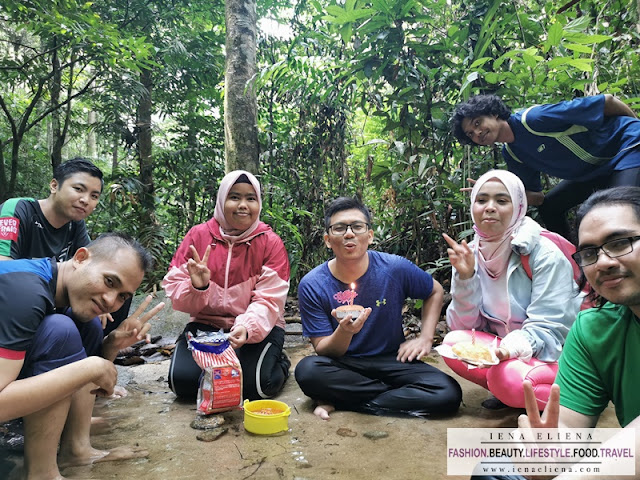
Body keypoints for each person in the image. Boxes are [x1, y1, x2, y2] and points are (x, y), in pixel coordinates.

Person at [473, 186, 640, 479]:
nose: (603, 262)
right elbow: (568, 427)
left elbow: (546, 324)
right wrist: (548, 450)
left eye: (620, 242)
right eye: (590, 252)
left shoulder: (542, 253)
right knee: (495, 470)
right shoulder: (593, 327)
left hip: (539, 351)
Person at [0, 232, 165, 480]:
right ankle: (41, 474)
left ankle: (77, 449)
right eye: (110, 282)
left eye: (122, 296)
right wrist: (89, 368)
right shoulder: (27, 292)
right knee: (60, 331)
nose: (111, 301)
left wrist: (109, 347)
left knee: (86, 326)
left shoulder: (55, 287)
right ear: (80, 258)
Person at [294, 196, 462, 420]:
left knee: (448, 392)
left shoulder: (394, 268)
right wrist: (345, 332)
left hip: (392, 359)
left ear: (370, 236)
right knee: (308, 371)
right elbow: (324, 350)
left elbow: (435, 291)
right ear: (327, 239)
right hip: (343, 364)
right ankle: (389, 397)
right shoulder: (312, 284)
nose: (349, 233)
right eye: (339, 228)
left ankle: (342, 399)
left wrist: (425, 338)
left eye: (357, 226)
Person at [442, 170, 582, 410]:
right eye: (482, 199)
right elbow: (464, 328)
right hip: (510, 355)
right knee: (453, 343)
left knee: (506, 378)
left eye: (502, 200)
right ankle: (510, 387)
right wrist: (465, 278)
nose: (490, 207)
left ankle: (577, 398)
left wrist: (507, 350)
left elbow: (550, 329)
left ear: (519, 206)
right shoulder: (470, 253)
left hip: (557, 354)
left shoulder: (543, 253)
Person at [162, 170, 291, 401]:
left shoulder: (270, 242)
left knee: (257, 387)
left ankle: (279, 360)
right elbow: (175, 291)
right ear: (222, 200)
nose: (243, 205)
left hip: (257, 328)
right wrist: (198, 287)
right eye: (235, 197)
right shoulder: (198, 236)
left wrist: (247, 327)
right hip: (206, 324)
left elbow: (269, 299)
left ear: (258, 203)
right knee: (181, 384)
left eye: (251, 198)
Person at [451, 94, 640, 239]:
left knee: (620, 207)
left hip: (627, 146)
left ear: (493, 113)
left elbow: (607, 102)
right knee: (550, 207)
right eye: (470, 134)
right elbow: (537, 198)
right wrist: (498, 193)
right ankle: (574, 263)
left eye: (478, 123)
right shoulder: (512, 154)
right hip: (595, 171)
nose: (477, 132)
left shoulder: (533, 119)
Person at [0, 157, 131, 333]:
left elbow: (94, 265)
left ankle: (107, 347)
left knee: (118, 288)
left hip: (53, 301)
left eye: (94, 196)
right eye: (78, 189)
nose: (86, 200)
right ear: (54, 186)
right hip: (19, 300)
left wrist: (100, 296)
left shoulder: (75, 224)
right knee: (61, 326)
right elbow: (3, 267)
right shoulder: (19, 209)